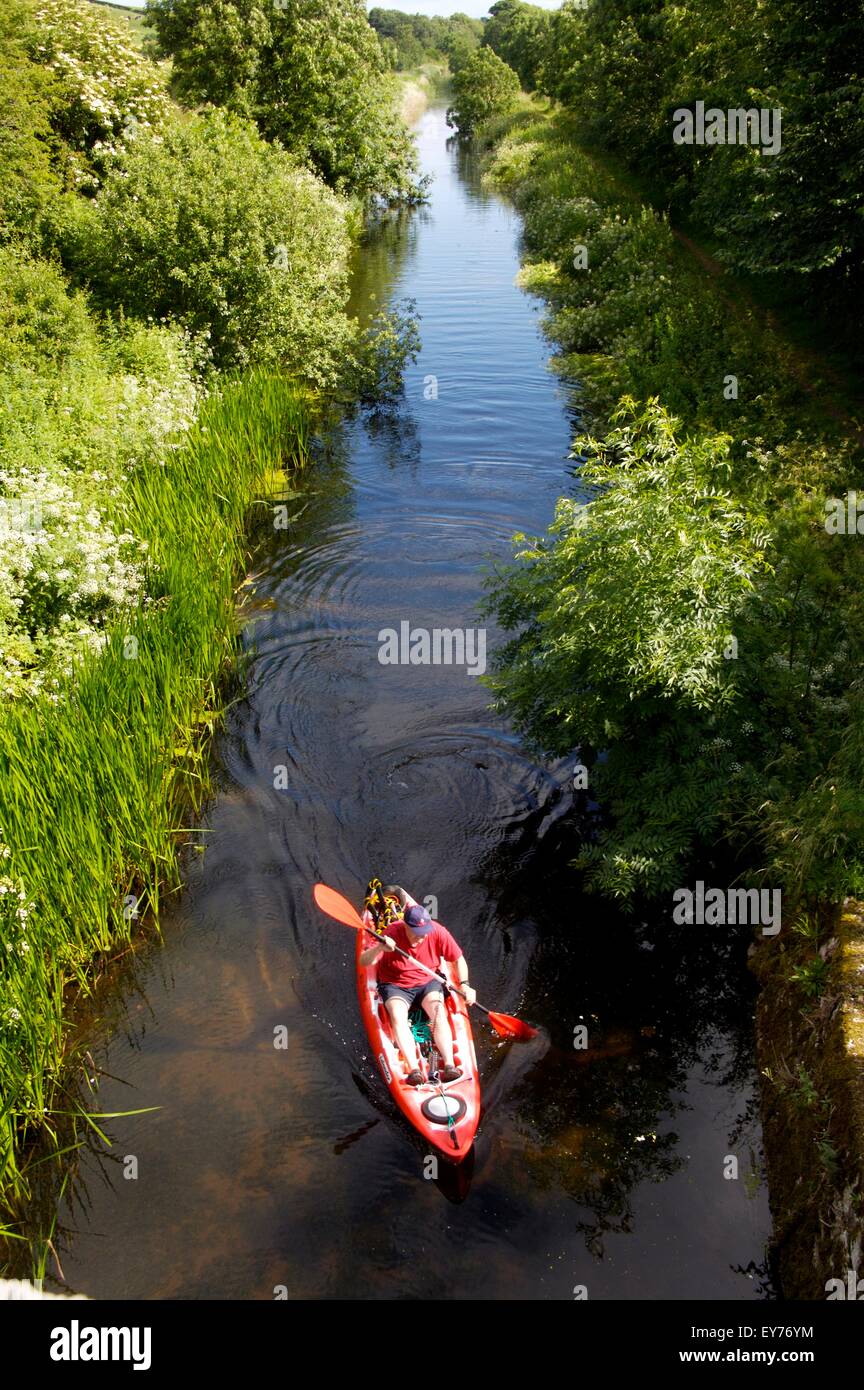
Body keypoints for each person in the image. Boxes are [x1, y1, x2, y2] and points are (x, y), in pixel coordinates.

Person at [359, 893, 476, 1087]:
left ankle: (449, 1065)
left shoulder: (437, 932)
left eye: (424, 933)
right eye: (415, 933)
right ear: (405, 925)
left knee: (438, 1012)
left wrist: (465, 984)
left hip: (428, 981)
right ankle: (414, 1070)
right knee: (397, 1015)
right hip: (396, 984)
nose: (420, 938)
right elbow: (365, 961)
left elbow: (458, 959)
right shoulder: (390, 933)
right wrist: (380, 948)